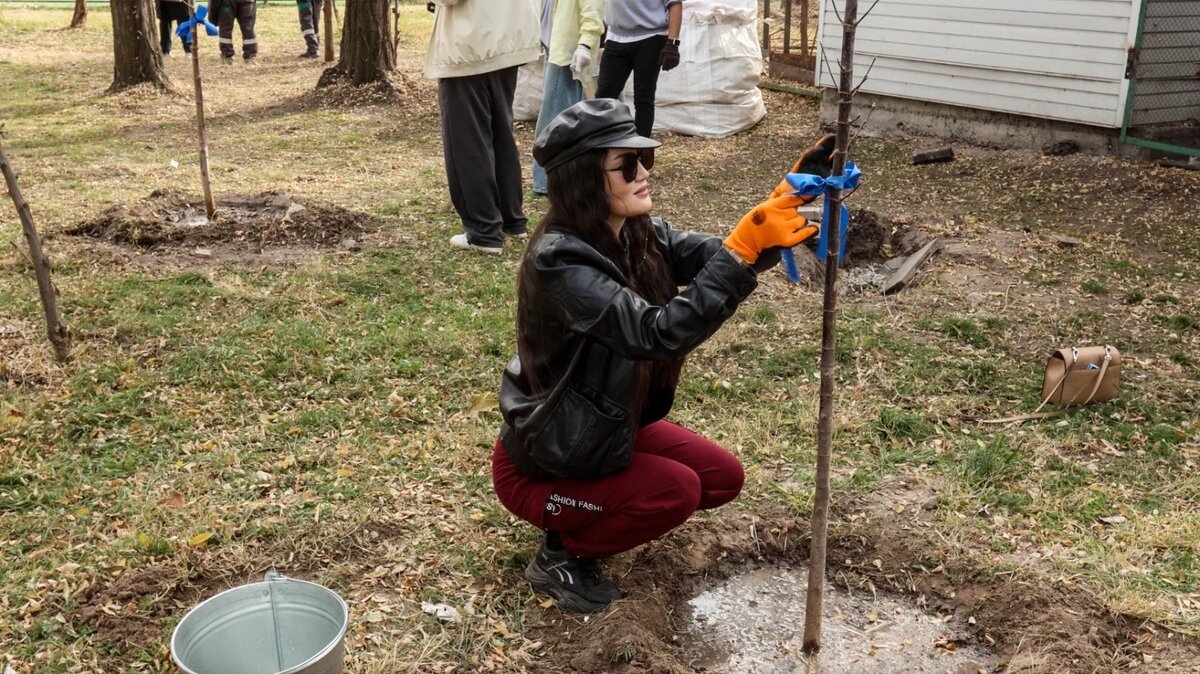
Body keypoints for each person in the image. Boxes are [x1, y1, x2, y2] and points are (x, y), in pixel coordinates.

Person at [492, 98, 834, 613]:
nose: (643, 172)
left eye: (645, 157)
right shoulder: (559, 260)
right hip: (548, 459)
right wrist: (742, 252)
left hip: (606, 425)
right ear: (584, 178)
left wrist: (783, 203)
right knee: (674, 490)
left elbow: (718, 258)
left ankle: (593, 508)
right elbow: (654, 334)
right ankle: (561, 552)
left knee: (720, 478)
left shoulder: (635, 232)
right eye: (626, 164)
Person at [424, 0, 540, 254]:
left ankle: (483, 230)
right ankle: (511, 219)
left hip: (472, 41)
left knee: (466, 140)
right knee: (501, 132)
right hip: (509, 35)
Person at [531, 0, 605, 196]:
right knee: (564, 119)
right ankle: (566, 179)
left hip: (567, 54)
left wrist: (585, 45)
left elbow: (593, 13)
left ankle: (548, 182)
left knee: (554, 122)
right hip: (554, 49)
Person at [594, 0, 682, 141]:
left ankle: (641, 150)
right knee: (603, 97)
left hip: (650, 36)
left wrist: (672, 43)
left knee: (643, 98)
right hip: (616, 35)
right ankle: (603, 149)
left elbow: (675, 3)